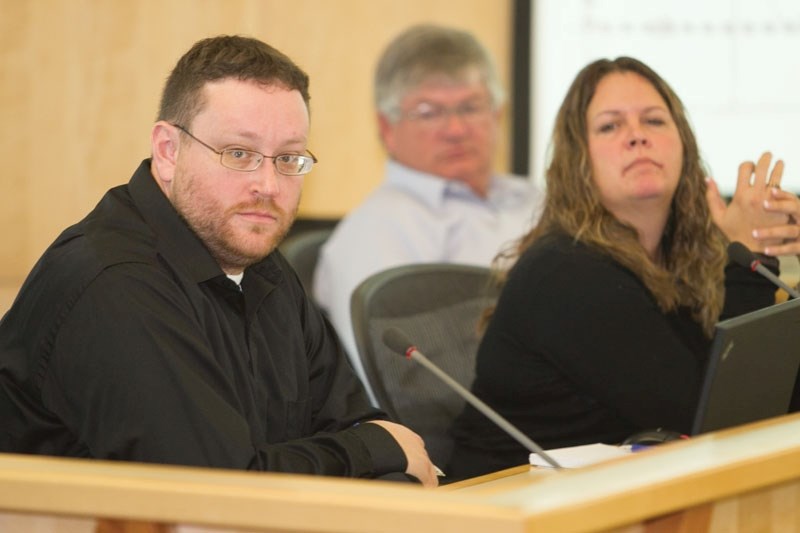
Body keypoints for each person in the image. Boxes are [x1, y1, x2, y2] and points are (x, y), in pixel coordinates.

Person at [0, 35, 437, 487]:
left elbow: (354, 427)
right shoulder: (114, 283)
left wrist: (376, 456)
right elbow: (215, 490)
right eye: (239, 154)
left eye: (288, 158)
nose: (268, 185)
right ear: (169, 152)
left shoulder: (261, 264)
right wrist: (372, 451)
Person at [447, 56, 799, 480]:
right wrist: (747, 260)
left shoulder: (684, 259)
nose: (636, 137)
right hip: (506, 508)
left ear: (683, 144)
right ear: (579, 160)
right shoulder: (566, 273)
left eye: (653, 121)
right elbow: (718, 423)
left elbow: (781, 399)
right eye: (610, 126)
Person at [313, 24, 542, 400]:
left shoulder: (536, 200)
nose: (455, 129)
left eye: (470, 107)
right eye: (428, 112)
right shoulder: (376, 231)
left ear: (499, 115)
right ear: (387, 128)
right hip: (485, 445)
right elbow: (410, 389)